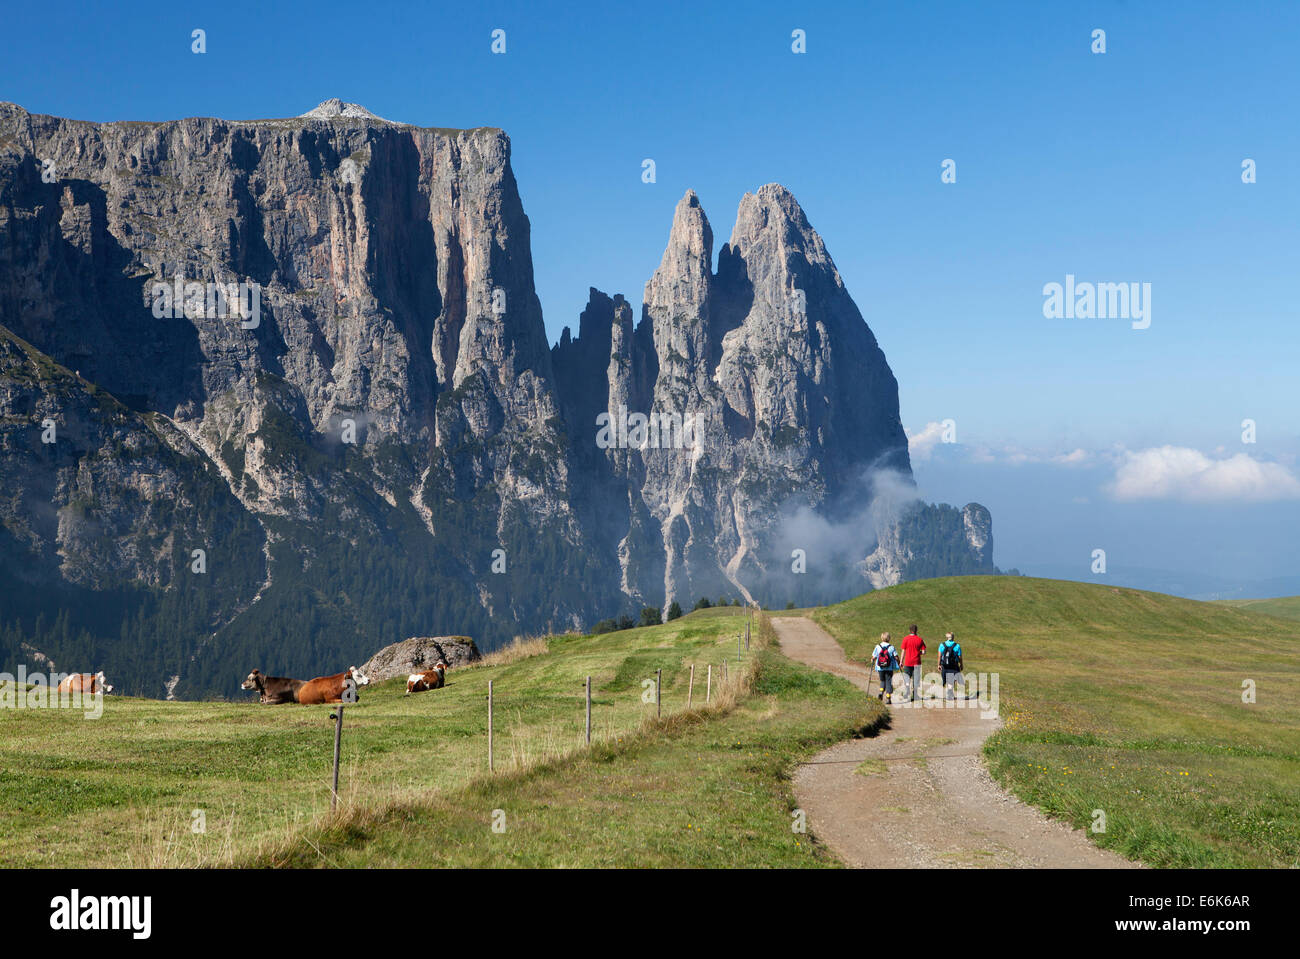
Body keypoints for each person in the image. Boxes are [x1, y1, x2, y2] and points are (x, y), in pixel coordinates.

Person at [870, 631, 899, 704]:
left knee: (882, 681)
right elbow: (896, 657)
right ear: (889, 638)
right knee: (888, 682)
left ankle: (881, 692)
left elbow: (874, 657)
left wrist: (872, 660)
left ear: (881, 638)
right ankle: (888, 698)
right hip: (889, 667)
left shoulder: (878, 646)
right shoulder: (891, 647)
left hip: (880, 667)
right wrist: (899, 662)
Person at [900, 625, 926, 702]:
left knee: (907, 679)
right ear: (916, 630)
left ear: (910, 630)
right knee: (916, 679)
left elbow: (903, 651)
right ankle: (915, 695)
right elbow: (924, 652)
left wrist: (901, 661)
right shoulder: (920, 639)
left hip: (908, 662)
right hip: (917, 662)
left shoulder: (906, 639)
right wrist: (918, 652)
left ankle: (907, 693)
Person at [937, 631, 964, 700]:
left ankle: (949, 692)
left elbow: (939, 656)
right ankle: (950, 692)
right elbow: (960, 657)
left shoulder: (942, 645)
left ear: (947, 637)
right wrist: (961, 665)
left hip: (945, 665)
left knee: (948, 679)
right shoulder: (957, 646)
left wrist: (939, 664)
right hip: (954, 666)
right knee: (952, 680)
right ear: (953, 637)